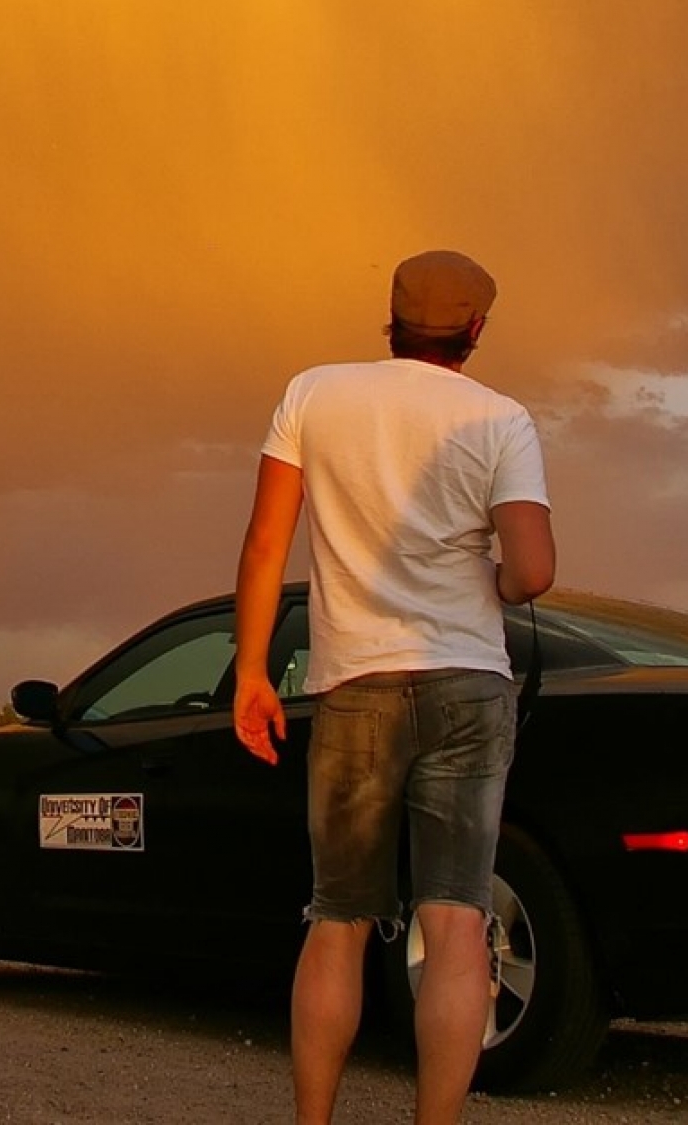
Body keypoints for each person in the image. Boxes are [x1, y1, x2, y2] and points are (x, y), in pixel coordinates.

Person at [231, 249, 558, 1125]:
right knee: (456, 922)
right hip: (467, 684)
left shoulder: (313, 393)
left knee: (336, 917)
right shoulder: (501, 419)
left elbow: (267, 544)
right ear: (476, 328)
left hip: (355, 683)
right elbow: (532, 571)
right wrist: (480, 579)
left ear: (392, 315)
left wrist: (255, 672)